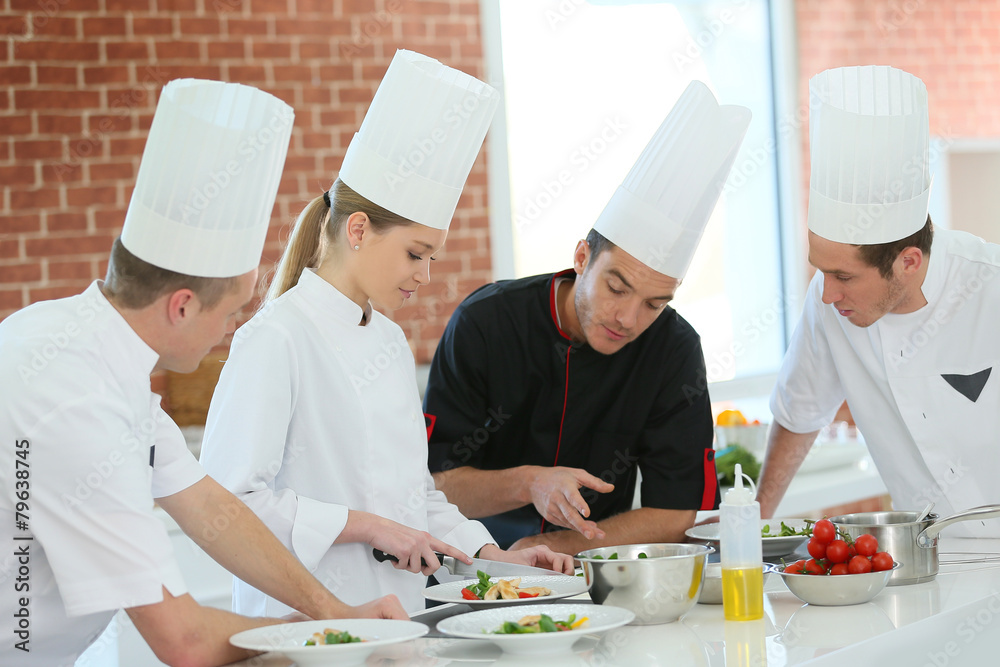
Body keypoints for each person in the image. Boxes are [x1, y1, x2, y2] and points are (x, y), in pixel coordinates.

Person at [0, 79, 405, 667]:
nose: (230, 331)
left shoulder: (80, 342)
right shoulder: (78, 403)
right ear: (183, 305)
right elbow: (184, 642)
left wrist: (331, 613)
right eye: (230, 310)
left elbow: (212, 511)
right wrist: (319, 637)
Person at [199, 50, 573, 616]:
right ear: (357, 230)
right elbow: (226, 507)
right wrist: (363, 527)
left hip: (398, 623)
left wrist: (493, 556)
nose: (425, 276)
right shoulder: (277, 339)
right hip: (302, 631)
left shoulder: (389, 344)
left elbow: (415, 496)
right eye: (416, 254)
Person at [425, 81, 752, 554]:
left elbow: (681, 511)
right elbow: (434, 486)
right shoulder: (487, 323)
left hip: (599, 565)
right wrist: (529, 483)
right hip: (476, 565)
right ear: (582, 257)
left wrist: (560, 547)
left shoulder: (673, 349)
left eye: (655, 303)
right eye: (617, 287)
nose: (628, 318)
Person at [757, 65, 1000, 537]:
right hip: (931, 568)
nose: (828, 293)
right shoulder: (827, 304)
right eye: (820, 271)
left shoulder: (990, 286)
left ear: (908, 261)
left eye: (844, 276)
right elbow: (798, 411)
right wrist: (751, 524)